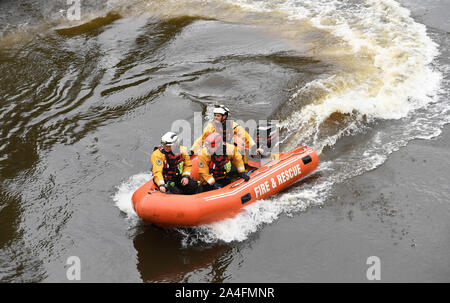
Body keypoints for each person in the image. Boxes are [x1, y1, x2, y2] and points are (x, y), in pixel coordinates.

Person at [190, 105, 264, 161]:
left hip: (228, 147)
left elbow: (244, 135)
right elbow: (201, 139)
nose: (216, 117)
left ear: (224, 116)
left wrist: (253, 146)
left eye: (218, 116)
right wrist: (192, 150)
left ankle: (243, 166)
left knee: (240, 147)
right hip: (215, 148)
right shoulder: (210, 127)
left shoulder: (232, 125)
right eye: (215, 115)